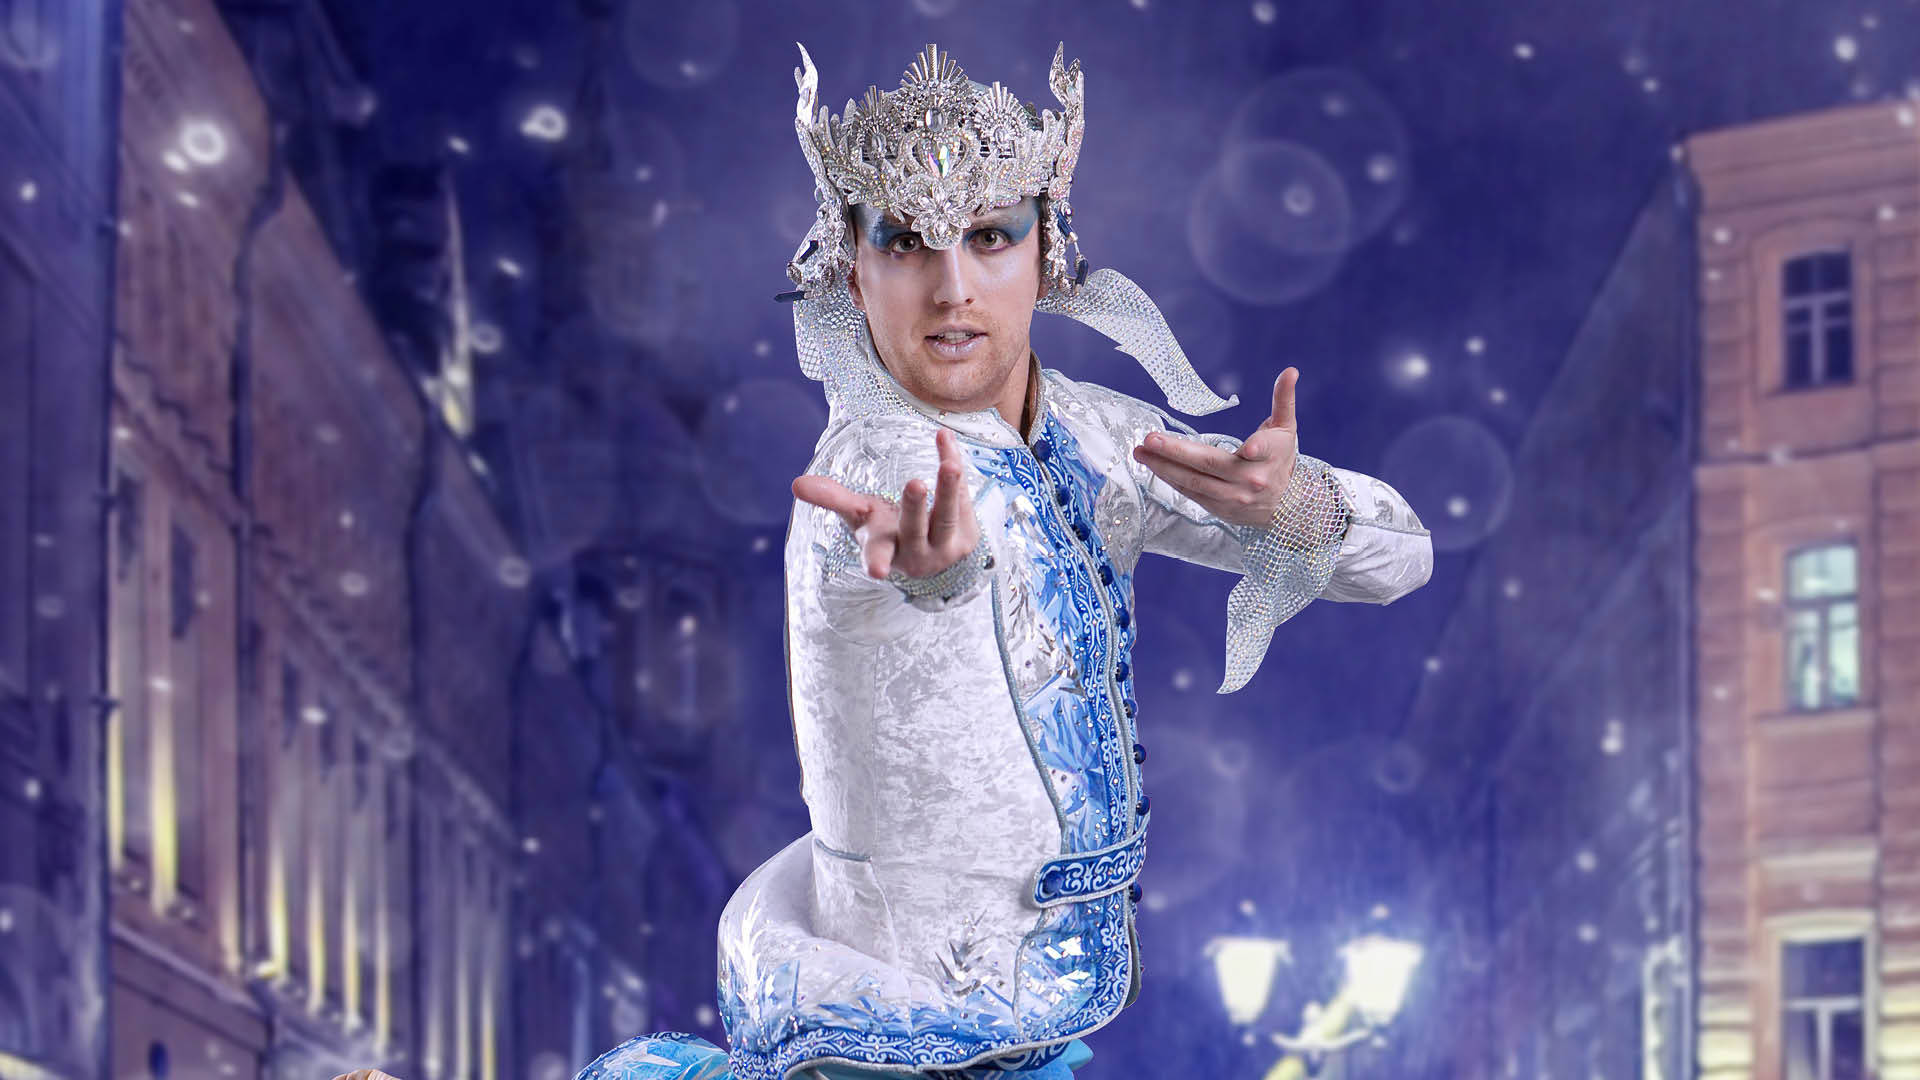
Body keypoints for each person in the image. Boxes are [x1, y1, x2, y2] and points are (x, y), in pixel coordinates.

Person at [341, 39, 1432, 1080]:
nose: (952, 288)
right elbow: (875, 586)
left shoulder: (1106, 438)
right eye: (906, 243)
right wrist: (932, 581)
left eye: (991, 236)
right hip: (895, 1027)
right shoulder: (862, 472)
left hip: (1036, 1013)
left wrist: (1300, 505)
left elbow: (1401, 562)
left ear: (1047, 251)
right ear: (849, 271)